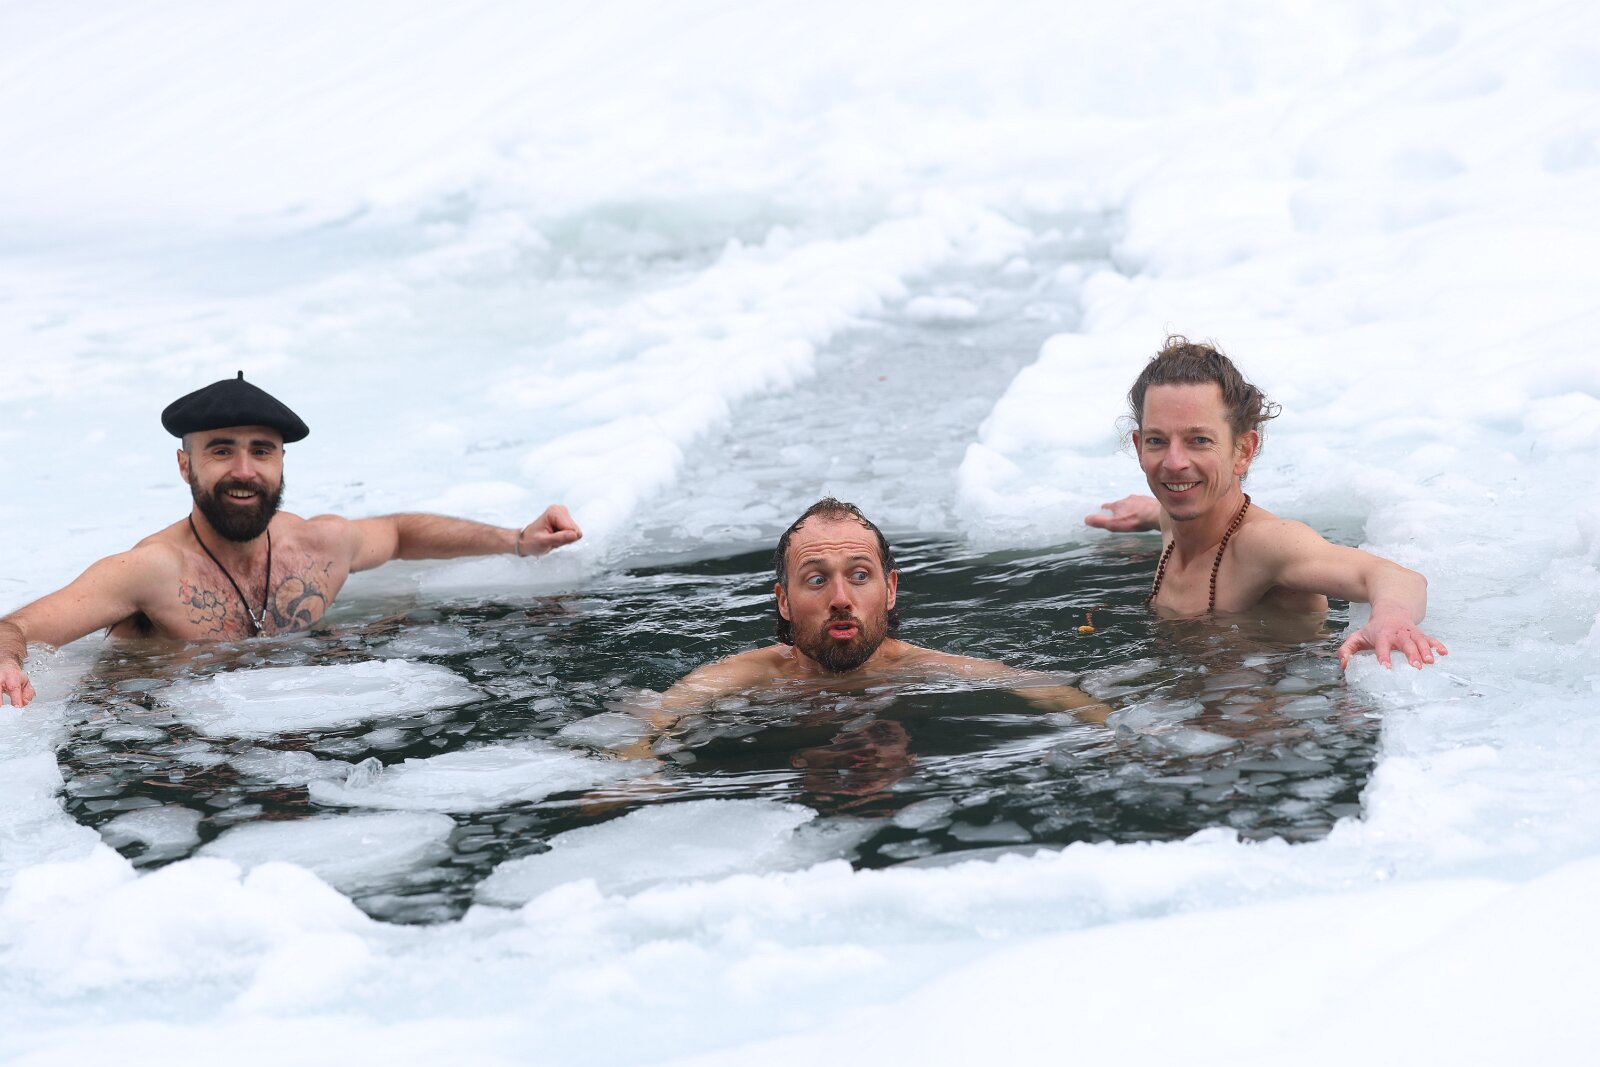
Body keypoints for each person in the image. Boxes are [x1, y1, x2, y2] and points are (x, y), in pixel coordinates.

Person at [0, 372, 582, 708]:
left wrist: (516, 539)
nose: (244, 471)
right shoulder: (151, 571)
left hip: (300, 714)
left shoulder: (317, 546)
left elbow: (400, 532)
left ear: (280, 462)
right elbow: (18, 628)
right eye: (221, 450)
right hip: (164, 735)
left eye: (262, 451)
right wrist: (6, 658)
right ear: (185, 465)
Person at [1084, 336, 1447, 670]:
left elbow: (1396, 576)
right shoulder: (1175, 519)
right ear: (1139, 447)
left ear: (1243, 450)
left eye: (1199, 440)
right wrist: (1147, 512)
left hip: (1278, 707)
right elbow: (1165, 512)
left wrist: (1392, 617)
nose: (1174, 463)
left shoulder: (1264, 544)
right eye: (1157, 441)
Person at [657, 497, 1107, 720]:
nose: (840, 598)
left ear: (890, 589)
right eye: (816, 579)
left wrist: (1116, 735)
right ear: (784, 601)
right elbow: (652, 718)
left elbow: (1051, 691)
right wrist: (640, 765)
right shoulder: (747, 675)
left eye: (859, 575)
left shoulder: (926, 668)